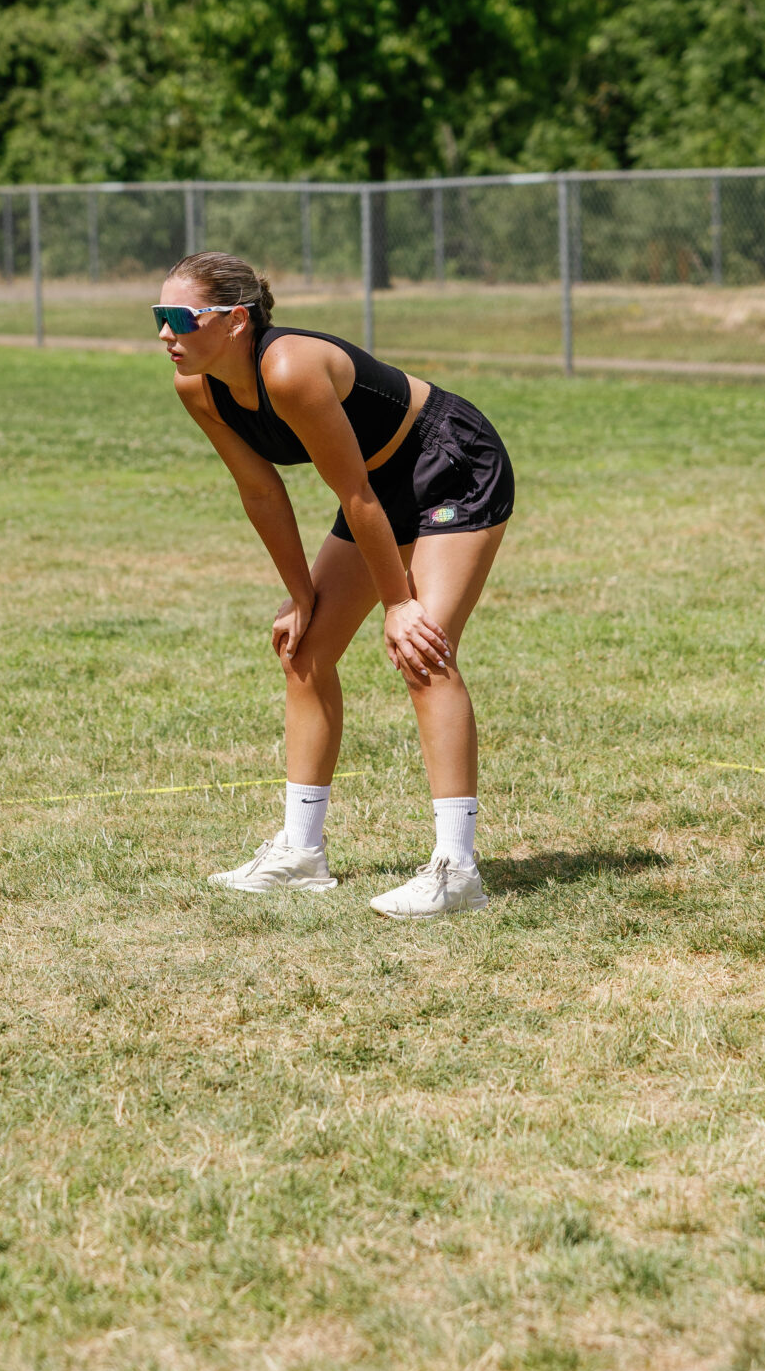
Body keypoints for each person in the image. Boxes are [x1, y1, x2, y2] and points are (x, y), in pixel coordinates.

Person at [156, 251, 514, 916]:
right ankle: (301, 853)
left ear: (235, 320)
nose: (164, 334)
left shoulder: (289, 369)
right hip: (376, 486)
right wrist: (301, 595)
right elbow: (260, 492)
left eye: (180, 318)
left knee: (423, 649)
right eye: (159, 316)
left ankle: (457, 870)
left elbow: (356, 494)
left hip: (450, 464)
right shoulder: (197, 388)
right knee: (306, 649)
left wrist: (400, 603)